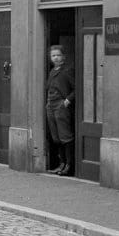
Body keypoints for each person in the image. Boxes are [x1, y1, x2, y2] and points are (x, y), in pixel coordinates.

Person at [45, 45, 76, 176]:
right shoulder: (52, 71)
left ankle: (69, 166)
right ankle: (61, 164)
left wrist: (67, 101)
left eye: (58, 55)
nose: (56, 58)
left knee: (65, 136)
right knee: (56, 137)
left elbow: (76, 88)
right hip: (51, 105)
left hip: (61, 105)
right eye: (53, 55)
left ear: (63, 56)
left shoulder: (67, 70)